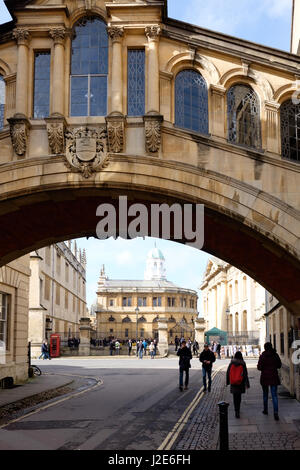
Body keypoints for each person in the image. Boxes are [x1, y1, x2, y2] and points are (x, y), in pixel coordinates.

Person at [257, 342, 282, 421]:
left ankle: (265, 410)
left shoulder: (263, 356)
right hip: (273, 377)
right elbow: (279, 365)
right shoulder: (275, 355)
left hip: (265, 377)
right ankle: (276, 412)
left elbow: (259, 367)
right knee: (274, 395)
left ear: (265, 348)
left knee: (265, 395)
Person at [226, 351, 250, 418]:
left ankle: (236, 410)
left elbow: (228, 372)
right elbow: (245, 374)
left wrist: (228, 382)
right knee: (239, 397)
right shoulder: (242, 363)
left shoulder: (232, 363)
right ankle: (238, 411)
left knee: (235, 397)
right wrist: (247, 383)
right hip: (240, 382)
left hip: (233, 383)